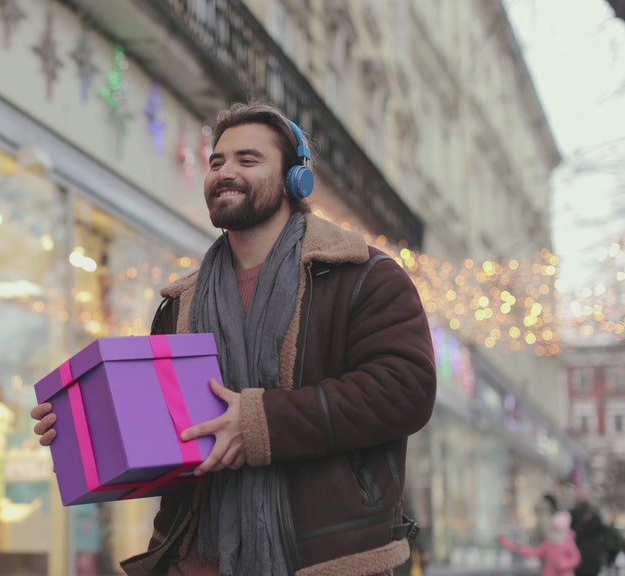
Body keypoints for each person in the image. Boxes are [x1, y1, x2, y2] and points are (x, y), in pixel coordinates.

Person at [31, 100, 437, 576]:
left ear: (295, 180)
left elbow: (405, 391)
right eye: (216, 161)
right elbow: (173, 438)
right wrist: (83, 432)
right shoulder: (179, 304)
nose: (225, 171)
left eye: (248, 159)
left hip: (327, 561)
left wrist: (261, 422)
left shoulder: (363, 275)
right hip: (196, 562)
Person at [497, 510, 581, 576]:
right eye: (554, 527)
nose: (555, 530)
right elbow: (536, 552)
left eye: (557, 527)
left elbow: (576, 558)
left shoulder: (568, 542)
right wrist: (515, 547)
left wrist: (564, 564)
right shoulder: (549, 541)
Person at [569, 486, 607, 576]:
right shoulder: (595, 513)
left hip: (576, 550)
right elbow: (602, 530)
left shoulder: (572, 513)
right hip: (593, 551)